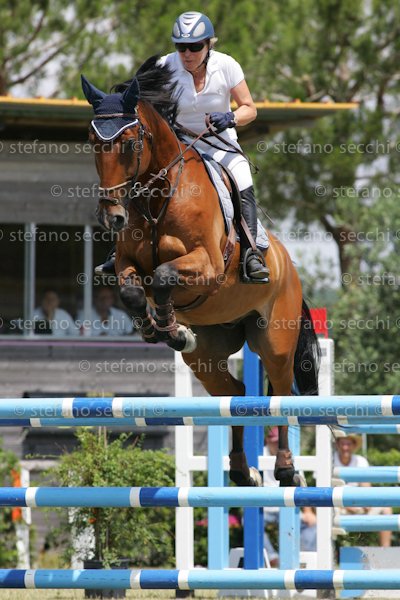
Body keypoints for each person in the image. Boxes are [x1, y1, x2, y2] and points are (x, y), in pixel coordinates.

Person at [97, 11, 269, 283]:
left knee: (242, 177)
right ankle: (119, 251)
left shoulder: (227, 65)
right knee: (139, 177)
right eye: (181, 47)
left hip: (221, 145)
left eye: (195, 47)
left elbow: (250, 108)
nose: (187, 54)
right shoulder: (164, 66)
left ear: (209, 44)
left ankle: (251, 254)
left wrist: (231, 117)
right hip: (180, 147)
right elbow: (133, 100)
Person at [334, 432, 392, 547]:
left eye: (348, 444)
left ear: (354, 446)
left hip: (358, 504)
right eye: (343, 443)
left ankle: (386, 549)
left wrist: (366, 503)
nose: (345, 447)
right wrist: (346, 506)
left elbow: (366, 488)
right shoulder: (329, 460)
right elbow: (325, 491)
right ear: (337, 445)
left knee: (386, 509)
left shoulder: (360, 461)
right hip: (337, 506)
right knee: (325, 511)